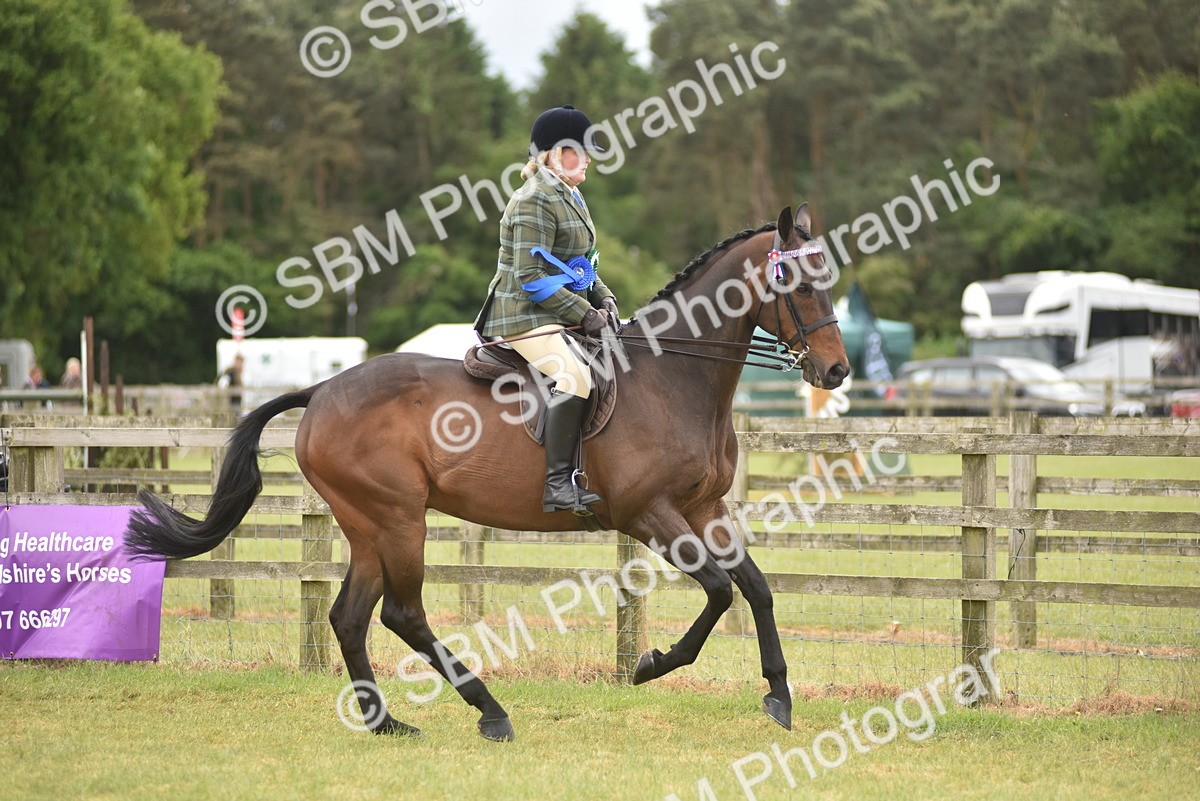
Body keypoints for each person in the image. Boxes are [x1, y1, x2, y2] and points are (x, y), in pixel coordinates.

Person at [474, 105, 620, 514]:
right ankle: (557, 484)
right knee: (574, 377)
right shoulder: (534, 199)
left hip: (555, 312)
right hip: (522, 314)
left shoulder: (571, 194)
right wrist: (584, 315)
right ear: (555, 154)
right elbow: (532, 278)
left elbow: (582, 264)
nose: (589, 158)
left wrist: (603, 297)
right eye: (581, 150)